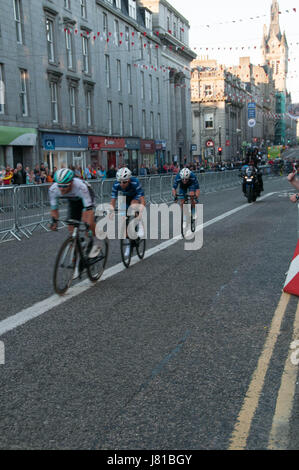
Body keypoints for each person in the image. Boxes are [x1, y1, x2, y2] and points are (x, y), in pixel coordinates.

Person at [49, 168, 103, 267]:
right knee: (71, 226)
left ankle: (97, 241)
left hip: (86, 198)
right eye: (59, 185)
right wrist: (54, 222)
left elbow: (88, 209)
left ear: (71, 182)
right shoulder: (53, 189)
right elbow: (54, 209)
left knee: (88, 223)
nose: (61, 189)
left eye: (65, 186)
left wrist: (87, 223)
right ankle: (78, 243)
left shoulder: (80, 187)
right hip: (73, 201)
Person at [109, 167, 146, 255]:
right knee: (123, 218)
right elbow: (113, 200)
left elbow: (142, 200)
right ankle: (129, 244)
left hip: (135, 196)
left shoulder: (135, 182)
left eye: (124, 182)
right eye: (120, 181)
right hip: (125, 197)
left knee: (134, 205)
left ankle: (140, 225)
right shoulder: (116, 184)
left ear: (129, 180)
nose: (122, 184)